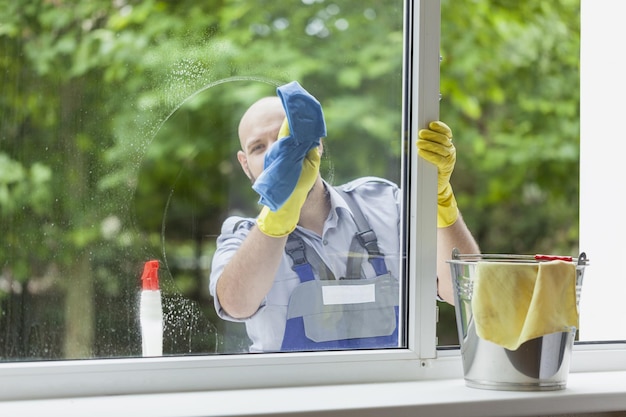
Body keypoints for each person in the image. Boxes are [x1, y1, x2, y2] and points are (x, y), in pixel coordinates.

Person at [209, 83, 479, 353]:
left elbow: (466, 291)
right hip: (290, 393)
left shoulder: (385, 203)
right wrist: (278, 213)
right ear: (246, 165)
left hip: (393, 389)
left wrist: (441, 203)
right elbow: (236, 304)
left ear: (317, 142)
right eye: (258, 148)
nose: (275, 154)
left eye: (284, 139)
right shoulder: (243, 236)